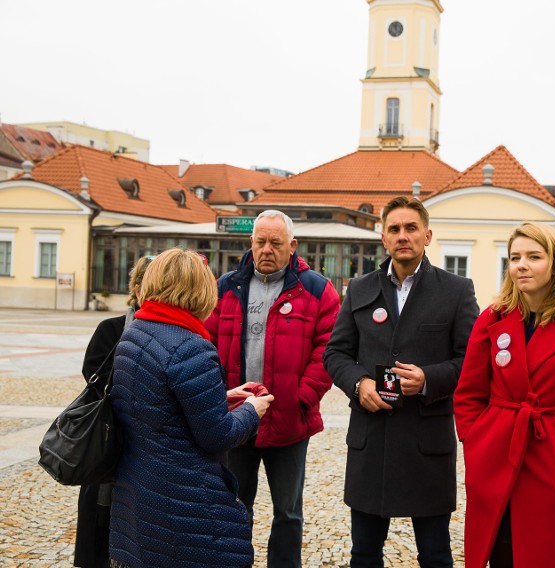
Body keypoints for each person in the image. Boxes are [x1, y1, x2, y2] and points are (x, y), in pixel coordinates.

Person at [323, 196, 479, 568]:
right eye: (394, 229)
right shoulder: (359, 289)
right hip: (371, 439)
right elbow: (335, 354)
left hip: (426, 445)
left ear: (427, 236)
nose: (402, 236)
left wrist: (428, 379)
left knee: (436, 555)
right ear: (383, 237)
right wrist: (359, 382)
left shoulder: (456, 291)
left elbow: (471, 361)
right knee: (363, 554)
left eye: (411, 228)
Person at [454, 221, 555, 568]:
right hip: (496, 447)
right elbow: (468, 391)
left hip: (554, 451)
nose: (521, 265)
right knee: (497, 546)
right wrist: (474, 440)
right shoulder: (492, 320)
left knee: (547, 549)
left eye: (533, 256)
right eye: (514, 258)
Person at [108, 248, 274, 568]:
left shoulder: (136, 333)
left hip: (139, 492)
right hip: (185, 503)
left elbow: (157, 402)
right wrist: (251, 410)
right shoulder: (190, 347)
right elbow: (217, 435)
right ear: (201, 291)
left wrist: (220, 397)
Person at [204, 209, 340, 568]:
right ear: (251, 242)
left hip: (289, 421)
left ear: (292, 246)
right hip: (236, 420)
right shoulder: (226, 287)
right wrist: (221, 396)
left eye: (276, 243)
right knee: (234, 505)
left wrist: (302, 399)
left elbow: (328, 350)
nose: (266, 249)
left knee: (288, 513)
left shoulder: (317, 291)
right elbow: (207, 344)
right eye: (260, 241)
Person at [74, 256, 150, 568]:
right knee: (100, 525)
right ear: (137, 288)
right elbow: (94, 377)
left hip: (147, 452)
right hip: (107, 445)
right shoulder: (111, 329)